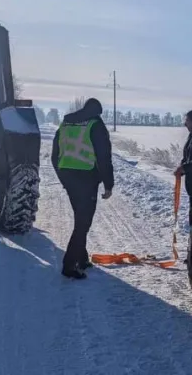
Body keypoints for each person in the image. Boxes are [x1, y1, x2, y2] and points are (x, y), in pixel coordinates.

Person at [52, 98, 115, 279]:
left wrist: (62, 176)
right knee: (83, 223)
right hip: (86, 178)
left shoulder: (66, 123)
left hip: (68, 177)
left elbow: (54, 154)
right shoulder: (95, 125)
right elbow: (104, 157)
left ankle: (81, 257)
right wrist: (108, 184)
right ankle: (69, 265)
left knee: (80, 217)